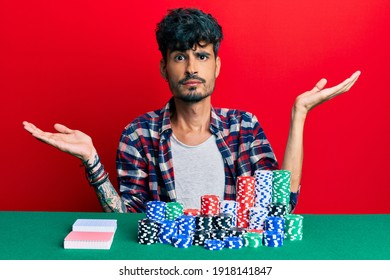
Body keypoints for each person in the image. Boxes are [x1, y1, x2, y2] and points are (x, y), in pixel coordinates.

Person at [23, 8, 360, 213]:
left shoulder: (243, 127)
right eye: (180, 56)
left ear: (217, 66)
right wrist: (92, 163)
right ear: (164, 68)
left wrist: (299, 114)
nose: (191, 69)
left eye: (202, 56)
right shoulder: (138, 135)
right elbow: (128, 222)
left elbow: (278, 208)